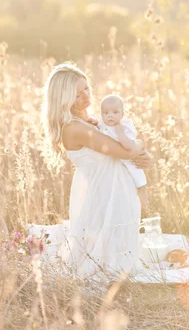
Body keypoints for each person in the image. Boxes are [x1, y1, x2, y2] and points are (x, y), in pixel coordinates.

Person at [41, 62, 152, 280]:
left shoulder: (90, 121)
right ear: (62, 99)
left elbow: (123, 147)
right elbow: (124, 151)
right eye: (76, 94)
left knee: (116, 243)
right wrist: (138, 148)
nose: (85, 97)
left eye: (86, 89)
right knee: (102, 253)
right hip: (103, 193)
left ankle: (118, 276)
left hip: (112, 188)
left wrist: (137, 152)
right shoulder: (75, 128)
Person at [98, 94, 148, 209]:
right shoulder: (101, 125)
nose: (110, 115)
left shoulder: (125, 126)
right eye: (106, 113)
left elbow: (130, 146)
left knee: (137, 172)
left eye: (115, 112)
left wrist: (120, 134)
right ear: (101, 115)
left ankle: (142, 192)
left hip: (127, 157)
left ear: (122, 114)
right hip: (112, 160)